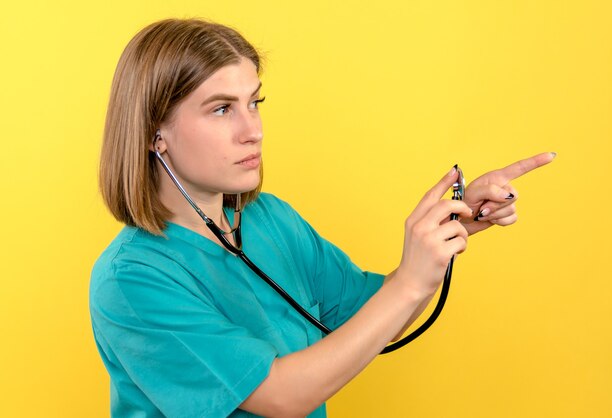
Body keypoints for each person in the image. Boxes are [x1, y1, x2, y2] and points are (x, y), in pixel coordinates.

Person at [90, 18, 555, 418]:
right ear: (155, 134)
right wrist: (410, 281)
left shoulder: (270, 219)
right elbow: (283, 396)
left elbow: (371, 320)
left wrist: (441, 235)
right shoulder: (132, 278)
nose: (253, 131)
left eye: (255, 103)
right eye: (221, 109)